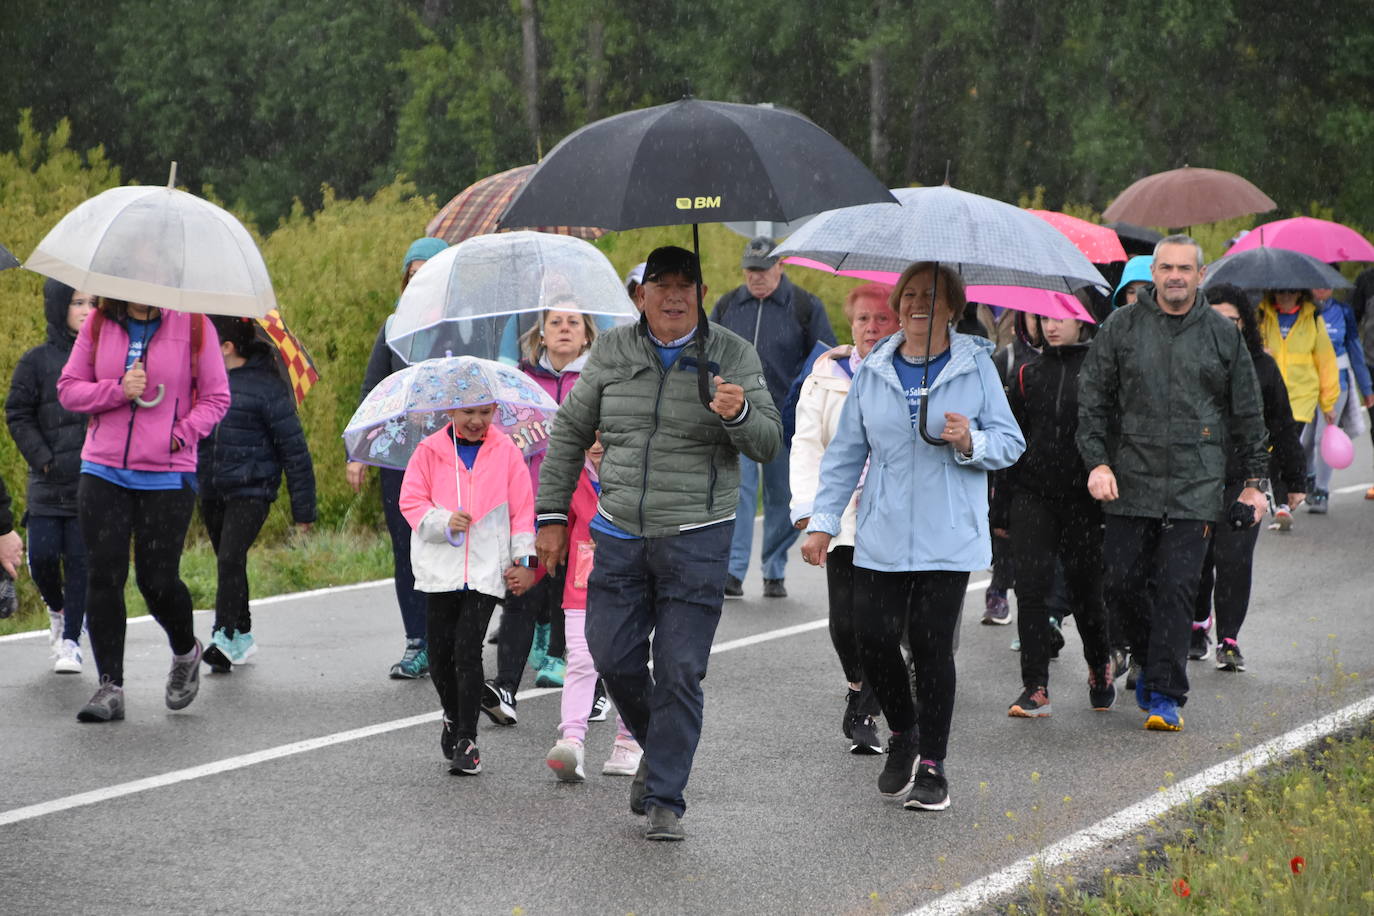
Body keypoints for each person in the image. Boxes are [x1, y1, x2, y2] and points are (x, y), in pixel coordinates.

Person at [534, 245, 782, 841]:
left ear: (701, 292)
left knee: (678, 669)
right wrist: (550, 515)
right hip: (617, 531)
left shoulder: (731, 353)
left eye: (685, 284)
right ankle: (660, 749)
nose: (673, 295)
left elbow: (769, 442)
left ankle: (666, 793)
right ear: (640, 295)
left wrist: (740, 411)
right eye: (660, 284)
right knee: (610, 654)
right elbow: (569, 430)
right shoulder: (613, 351)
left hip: (696, 536)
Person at [801, 261, 1025, 812]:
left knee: (929, 647)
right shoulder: (876, 366)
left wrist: (971, 438)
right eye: (909, 296)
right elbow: (846, 452)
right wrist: (822, 520)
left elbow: (1011, 441)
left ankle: (933, 768)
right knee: (871, 637)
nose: (917, 305)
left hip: (947, 532)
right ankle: (904, 731)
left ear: (953, 307)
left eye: (931, 296)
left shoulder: (977, 367)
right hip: (881, 526)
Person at [1077, 235, 1269, 733]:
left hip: (1196, 482)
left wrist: (1255, 484)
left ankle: (1165, 692)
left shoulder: (1222, 335)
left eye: (1185, 268)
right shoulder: (1122, 326)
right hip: (1130, 477)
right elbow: (1092, 399)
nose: (1176, 276)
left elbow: (1247, 411)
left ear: (1200, 275)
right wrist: (1097, 462)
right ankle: (1145, 656)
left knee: (1177, 588)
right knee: (1119, 582)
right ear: (1153, 273)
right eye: (1166, 268)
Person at [57, 297, 231, 722]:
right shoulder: (99, 323)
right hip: (103, 468)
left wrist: (179, 435)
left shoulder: (193, 325)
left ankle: (184, 650)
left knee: (156, 580)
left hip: (167, 473)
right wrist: (117, 389)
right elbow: (69, 389)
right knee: (104, 574)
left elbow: (216, 397)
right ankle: (110, 686)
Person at [399, 400, 536, 776]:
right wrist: (443, 521)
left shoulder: (507, 452)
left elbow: (523, 511)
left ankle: (467, 738)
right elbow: (410, 501)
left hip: (485, 569)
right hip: (439, 569)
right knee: (440, 653)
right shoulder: (429, 451)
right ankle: (451, 713)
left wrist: (526, 562)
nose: (477, 422)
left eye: (485, 414)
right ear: (451, 413)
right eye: (468, 413)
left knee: (467, 649)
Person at [789, 282, 897, 754]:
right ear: (850, 325)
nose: (872, 327)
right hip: (842, 513)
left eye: (882, 319)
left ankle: (870, 712)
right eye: (863, 320)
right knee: (845, 623)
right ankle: (857, 685)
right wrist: (809, 511)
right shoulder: (826, 378)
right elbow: (808, 445)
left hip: (895, 515)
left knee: (881, 622)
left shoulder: (913, 374)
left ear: (898, 323)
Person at [993, 312, 1114, 718]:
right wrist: (1001, 508)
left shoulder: (1100, 371)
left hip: (1084, 500)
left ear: (1083, 322)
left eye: (1063, 318)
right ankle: (1035, 686)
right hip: (1033, 496)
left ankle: (1099, 666)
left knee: (1084, 593)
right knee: (1030, 591)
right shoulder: (1027, 374)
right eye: (1044, 318)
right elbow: (1012, 443)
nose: (1052, 325)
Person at [481, 304, 598, 722]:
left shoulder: (599, 378)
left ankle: (597, 687)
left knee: (583, 597)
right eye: (556, 323)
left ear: (587, 335)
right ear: (541, 334)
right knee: (523, 592)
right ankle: (505, 689)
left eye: (573, 323)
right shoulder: (520, 382)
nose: (565, 329)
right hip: (533, 504)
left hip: (588, 507)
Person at [712, 236, 835, 598]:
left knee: (784, 498)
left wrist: (802, 399)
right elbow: (709, 349)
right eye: (750, 271)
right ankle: (733, 572)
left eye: (763, 270)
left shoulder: (804, 305)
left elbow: (824, 356)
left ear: (781, 266)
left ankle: (774, 568)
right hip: (739, 419)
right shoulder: (728, 304)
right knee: (740, 495)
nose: (757, 278)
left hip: (787, 420)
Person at [347, 237, 448, 679]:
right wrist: (359, 452)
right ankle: (418, 641)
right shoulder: (392, 329)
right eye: (413, 273)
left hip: (455, 454)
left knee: (451, 544)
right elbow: (373, 391)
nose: (418, 280)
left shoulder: (463, 328)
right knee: (406, 547)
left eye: (429, 273)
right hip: (399, 458)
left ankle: (450, 634)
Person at [1192, 285, 1305, 671]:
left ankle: (1228, 639)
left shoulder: (1263, 367)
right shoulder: (1188, 361)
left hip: (1245, 480)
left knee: (1234, 559)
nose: (1224, 327)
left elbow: (1283, 425)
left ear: (1245, 324)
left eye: (1232, 321)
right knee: (1197, 559)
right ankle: (1196, 625)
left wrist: (1295, 480)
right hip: (1194, 477)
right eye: (1215, 320)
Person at [197, 316, 317, 672]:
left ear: (227, 347)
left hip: (253, 489)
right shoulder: (204, 384)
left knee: (230, 559)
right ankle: (243, 633)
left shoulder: (268, 388)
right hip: (212, 487)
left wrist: (303, 512)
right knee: (229, 562)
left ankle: (223, 634)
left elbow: (294, 451)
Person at [543, 434, 644, 782]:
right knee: (582, 662)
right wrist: (531, 567)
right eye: (589, 436)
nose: (596, 444)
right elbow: (554, 532)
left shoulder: (640, 470)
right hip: (582, 586)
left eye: (605, 435)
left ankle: (629, 739)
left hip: (632, 584)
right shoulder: (572, 476)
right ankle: (571, 741)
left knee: (627, 665)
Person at [5, 280, 93, 672]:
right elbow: (17, 413)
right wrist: (42, 458)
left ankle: (72, 640)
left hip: (91, 480)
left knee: (79, 561)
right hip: (46, 480)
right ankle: (57, 610)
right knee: (40, 559)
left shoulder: (105, 356)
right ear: (59, 306)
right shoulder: (35, 361)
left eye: (93, 303)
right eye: (77, 302)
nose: (86, 310)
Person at [1254, 287, 1339, 531]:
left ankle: (1282, 502)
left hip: (1300, 398)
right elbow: (1247, 348)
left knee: (1286, 444)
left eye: (1291, 292)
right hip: (1269, 395)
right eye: (1280, 291)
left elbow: (1325, 361)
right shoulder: (1261, 316)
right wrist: (1260, 351)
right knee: (1270, 449)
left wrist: (1328, 402)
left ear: (1301, 294)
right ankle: (1281, 500)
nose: (1285, 296)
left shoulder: (1312, 318)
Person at [1301, 288, 1372, 514]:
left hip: (1336, 385)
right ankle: (1310, 477)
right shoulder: (1305, 311)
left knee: (1324, 436)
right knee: (1305, 441)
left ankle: (1322, 491)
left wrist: (1366, 386)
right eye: (1316, 286)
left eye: (1325, 286)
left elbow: (1354, 348)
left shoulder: (1343, 311)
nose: (1320, 291)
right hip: (1308, 384)